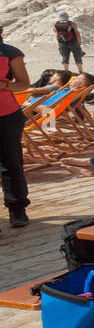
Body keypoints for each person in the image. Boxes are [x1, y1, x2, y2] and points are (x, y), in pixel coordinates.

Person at [0, 36, 31, 228]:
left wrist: (4, 85)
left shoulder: (10, 52)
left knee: (11, 162)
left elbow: (23, 83)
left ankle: (17, 209)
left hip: (6, 113)